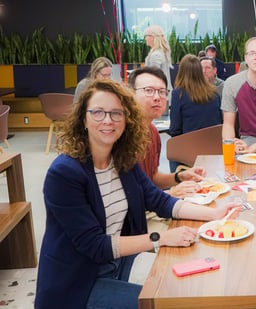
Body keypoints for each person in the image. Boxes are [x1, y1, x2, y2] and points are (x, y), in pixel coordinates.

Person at [35, 79, 240, 309]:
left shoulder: (122, 160)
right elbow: (94, 245)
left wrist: (214, 214)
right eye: (98, 113)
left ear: (126, 120)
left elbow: (159, 200)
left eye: (116, 113)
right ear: (83, 118)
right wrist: (160, 239)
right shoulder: (64, 173)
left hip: (116, 266)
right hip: (77, 284)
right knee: (169, 302)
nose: (108, 121)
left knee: (191, 284)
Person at [128, 66, 204, 197]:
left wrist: (179, 177)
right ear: (131, 94)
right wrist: (171, 193)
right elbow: (130, 193)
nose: (157, 97)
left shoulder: (153, 132)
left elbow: (153, 178)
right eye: (149, 90)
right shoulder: (124, 134)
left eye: (162, 91)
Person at [169, 54, 222, 171]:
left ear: (181, 71)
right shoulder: (214, 93)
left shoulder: (178, 94)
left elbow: (174, 129)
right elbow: (219, 122)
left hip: (188, 151)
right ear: (199, 71)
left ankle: (175, 182)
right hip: (213, 149)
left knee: (171, 147)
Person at [144, 25, 173, 115]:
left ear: (152, 37)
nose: (145, 39)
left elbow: (153, 76)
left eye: (146, 36)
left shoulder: (156, 55)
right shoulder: (161, 52)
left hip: (159, 93)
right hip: (163, 92)